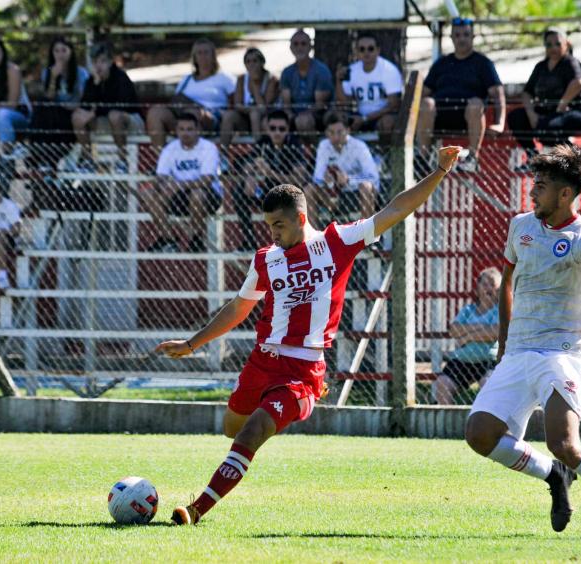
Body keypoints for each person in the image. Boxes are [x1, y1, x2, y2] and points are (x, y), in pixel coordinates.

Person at [157, 145, 462, 526]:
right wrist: (191, 343)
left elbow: (395, 210)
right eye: (268, 226)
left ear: (301, 217)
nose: (273, 233)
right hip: (262, 360)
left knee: (251, 432)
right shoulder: (265, 258)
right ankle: (277, 412)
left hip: (303, 369)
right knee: (232, 428)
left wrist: (439, 172)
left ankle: (196, 508)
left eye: (278, 226)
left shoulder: (337, 242)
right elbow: (239, 307)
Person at [464, 144, 581, 540]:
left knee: (566, 445)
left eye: (541, 186)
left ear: (565, 194)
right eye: (533, 183)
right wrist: (503, 342)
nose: (532, 192)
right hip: (518, 351)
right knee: (479, 434)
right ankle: (553, 476)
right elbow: (507, 285)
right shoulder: (521, 226)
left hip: (560, 355)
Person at [416, 17, 505, 171]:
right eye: (457, 35)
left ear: (473, 37)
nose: (461, 39)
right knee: (426, 103)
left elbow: (497, 94)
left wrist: (500, 123)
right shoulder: (442, 63)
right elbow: (423, 92)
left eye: (465, 35)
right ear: (451, 38)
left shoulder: (483, 63)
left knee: (476, 104)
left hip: (468, 119)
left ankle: (472, 158)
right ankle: (422, 161)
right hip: (439, 117)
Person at [507, 28, 581, 163]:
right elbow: (527, 92)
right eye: (549, 44)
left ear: (566, 44)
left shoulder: (570, 62)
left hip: (575, 113)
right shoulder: (541, 66)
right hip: (548, 114)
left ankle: (572, 156)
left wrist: (562, 104)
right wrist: (531, 114)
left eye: (557, 44)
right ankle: (533, 157)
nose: (553, 48)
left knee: (546, 126)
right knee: (516, 117)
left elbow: (578, 82)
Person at [144, 113, 222, 253]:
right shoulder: (170, 148)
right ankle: (168, 240)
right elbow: (161, 176)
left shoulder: (208, 147)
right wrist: (161, 187)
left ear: (198, 130)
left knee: (197, 194)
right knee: (147, 194)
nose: (185, 133)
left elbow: (207, 180)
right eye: (182, 129)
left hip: (208, 196)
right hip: (178, 195)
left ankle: (196, 239)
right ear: (177, 130)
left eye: (189, 129)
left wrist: (178, 185)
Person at [237, 110, 309, 249]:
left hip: (288, 195)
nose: (277, 132)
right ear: (267, 129)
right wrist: (251, 171)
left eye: (281, 129)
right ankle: (248, 239)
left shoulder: (294, 144)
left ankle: (292, 242)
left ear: (287, 129)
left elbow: (299, 179)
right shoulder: (263, 143)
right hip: (266, 192)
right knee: (238, 191)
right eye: (273, 128)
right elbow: (243, 166)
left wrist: (270, 172)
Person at [147, 38, 236, 149]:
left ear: (213, 56)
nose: (203, 56)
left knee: (193, 112)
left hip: (210, 118)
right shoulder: (186, 79)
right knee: (155, 112)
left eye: (206, 53)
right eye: (199, 53)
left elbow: (235, 103)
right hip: (182, 117)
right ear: (194, 57)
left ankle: (192, 156)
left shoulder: (225, 78)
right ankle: (161, 157)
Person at [432, 267, 501, 405]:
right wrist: (482, 328)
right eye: (485, 284)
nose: (488, 288)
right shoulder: (468, 310)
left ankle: (481, 422)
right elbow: (454, 330)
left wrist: (467, 337)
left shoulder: (498, 310)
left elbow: (495, 332)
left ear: (498, 290)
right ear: (478, 288)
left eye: (492, 284)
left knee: (488, 384)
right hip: (462, 360)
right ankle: (450, 422)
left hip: (487, 361)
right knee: (441, 384)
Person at [72, 41, 141, 170]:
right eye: (95, 62)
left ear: (110, 62)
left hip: (129, 120)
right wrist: (96, 85)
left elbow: (123, 105)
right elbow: (85, 105)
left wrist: (95, 111)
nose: (99, 66)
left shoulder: (121, 77)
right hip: (103, 121)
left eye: (102, 61)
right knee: (77, 116)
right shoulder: (91, 81)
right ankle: (87, 159)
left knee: (114, 116)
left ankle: (122, 160)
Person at [28, 36, 89, 168]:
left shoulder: (81, 73)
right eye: (56, 51)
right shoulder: (48, 73)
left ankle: (47, 159)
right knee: (42, 104)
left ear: (70, 52)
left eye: (64, 50)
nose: (60, 54)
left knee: (45, 109)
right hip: (54, 116)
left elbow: (85, 100)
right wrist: (54, 78)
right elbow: (49, 97)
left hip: (72, 114)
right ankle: (37, 156)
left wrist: (68, 106)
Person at [307, 112, 379, 223]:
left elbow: (373, 177)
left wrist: (349, 179)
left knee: (366, 186)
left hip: (356, 193)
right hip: (332, 195)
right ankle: (313, 239)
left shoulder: (359, 146)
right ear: (326, 132)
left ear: (348, 130)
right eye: (331, 132)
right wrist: (329, 180)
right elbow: (317, 177)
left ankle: (367, 236)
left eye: (340, 132)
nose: (335, 137)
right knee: (309, 189)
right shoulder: (324, 146)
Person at [335, 33, 402, 143]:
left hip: (382, 115)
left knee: (387, 123)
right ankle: (345, 156)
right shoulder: (352, 71)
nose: (366, 53)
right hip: (360, 115)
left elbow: (393, 104)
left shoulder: (389, 70)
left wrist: (365, 118)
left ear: (378, 50)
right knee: (339, 119)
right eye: (362, 49)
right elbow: (344, 102)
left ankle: (385, 156)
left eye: (370, 49)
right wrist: (338, 80)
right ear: (356, 52)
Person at [280, 29, 334, 138]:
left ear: (310, 47)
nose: (299, 47)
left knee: (303, 121)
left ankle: (311, 154)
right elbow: (286, 103)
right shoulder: (287, 72)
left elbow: (320, 105)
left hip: (320, 115)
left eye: (303, 44)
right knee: (272, 122)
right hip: (295, 115)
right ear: (291, 48)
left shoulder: (321, 70)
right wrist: (290, 115)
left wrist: (298, 116)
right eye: (296, 44)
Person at [219, 48, 278, 143]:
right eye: (248, 61)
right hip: (245, 119)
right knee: (228, 115)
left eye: (255, 61)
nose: (251, 64)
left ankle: (258, 151)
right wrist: (251, 109)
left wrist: (254, 85)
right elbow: (237, 104)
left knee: (255, 114)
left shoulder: (271, 80)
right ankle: (222, 153)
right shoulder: (241, 79)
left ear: (262, 63)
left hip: (264, 119)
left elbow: (264, 107)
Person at [0, 37, 32, 151]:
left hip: (19, 116)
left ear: (3, 54)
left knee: (3, 115)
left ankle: (7, 158)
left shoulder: (12, 70)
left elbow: (12, 106)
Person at [0, 182, 20, 290]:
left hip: (6, 238)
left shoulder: (9, 206)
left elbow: (17, 229)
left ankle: (2, 277)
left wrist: (4, 232)